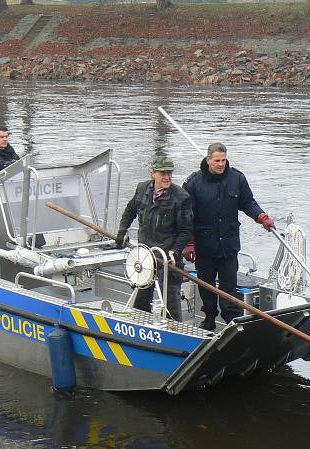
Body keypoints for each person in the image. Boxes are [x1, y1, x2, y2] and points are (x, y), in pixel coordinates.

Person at [183, 142, 275, 331]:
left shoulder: (237, 179)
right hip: (205, 246)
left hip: (228, 246)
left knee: (229, 288)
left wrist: (262, 216)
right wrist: (189, 244)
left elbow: (248, 203)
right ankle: (208, 318)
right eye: (217, 160)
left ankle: (231, 321)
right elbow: (186, 217)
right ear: (208, 160)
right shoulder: (194, 183)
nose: (221, 164)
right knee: (206, 286)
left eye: (223, 160)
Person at [115, 155, 193, 321]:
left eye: (170, 173)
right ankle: (140, 327)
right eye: (162, 173)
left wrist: (175, 251)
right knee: (141, 302)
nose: (167, 177)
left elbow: (186, 230)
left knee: (170, 305)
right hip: (145, 257)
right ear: (153, 174)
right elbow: (129, 212)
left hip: (168, 259)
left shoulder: (181, 197)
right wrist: (122, 231)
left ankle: (174, 335)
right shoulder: (142, 189)